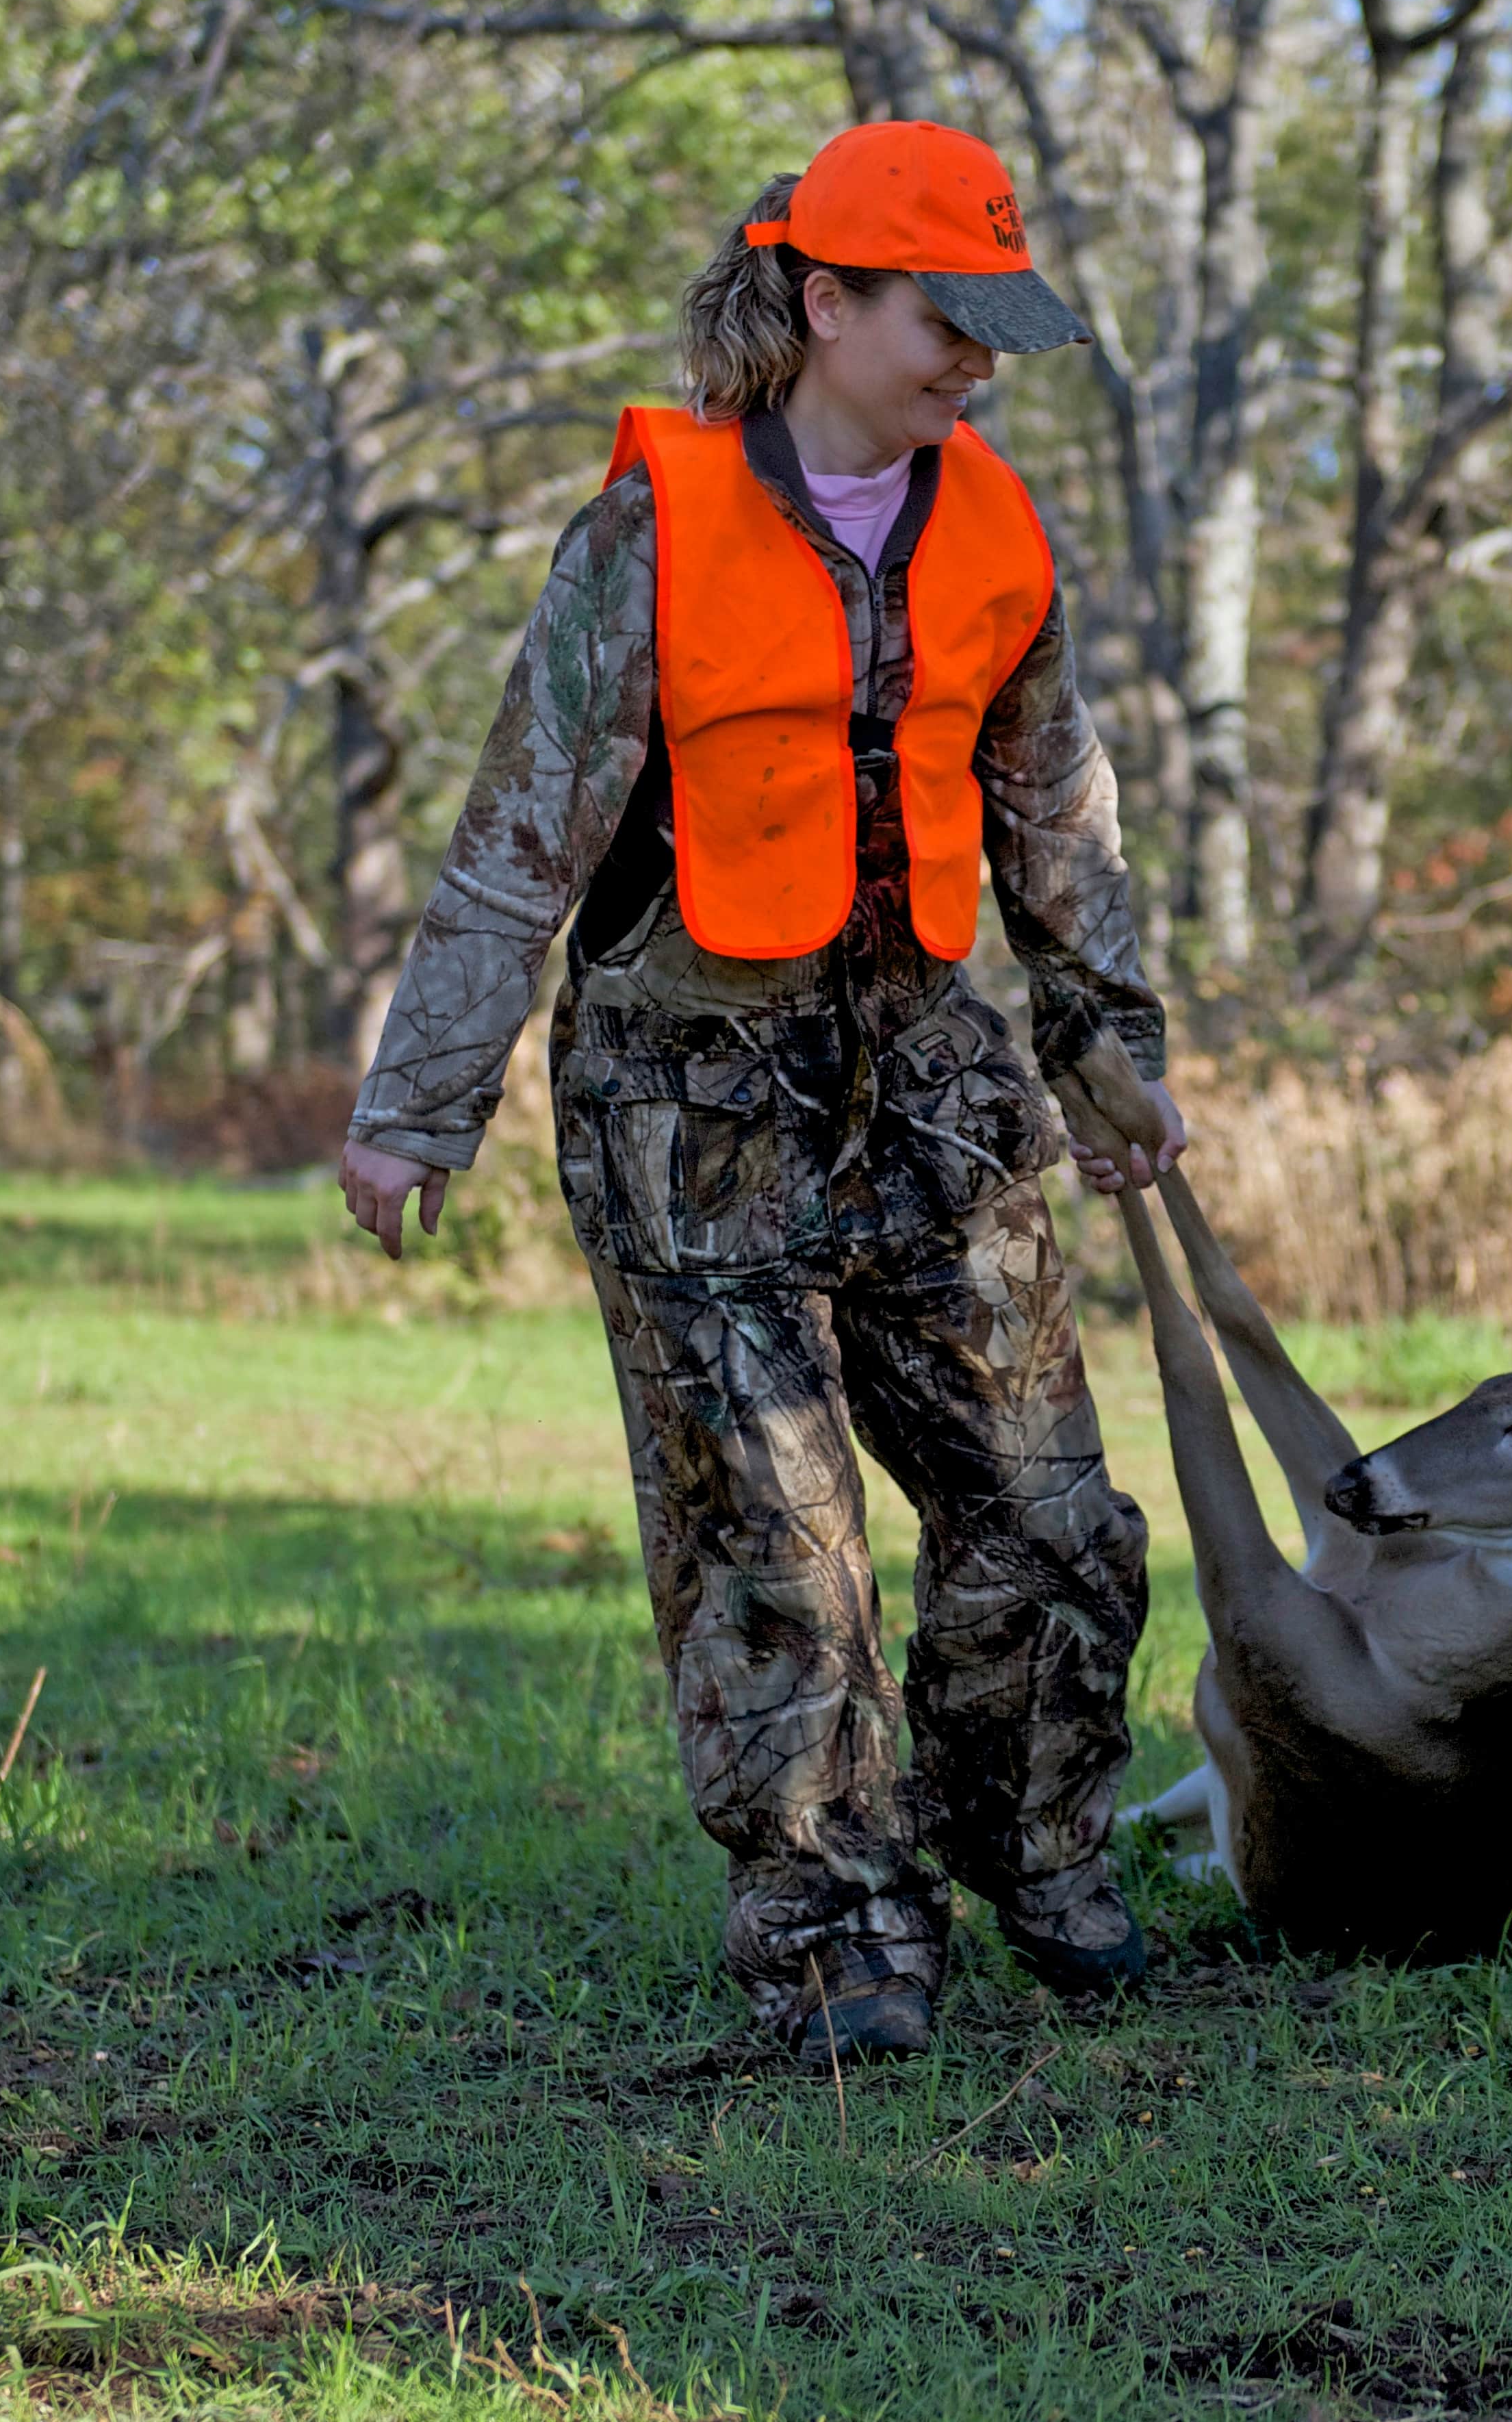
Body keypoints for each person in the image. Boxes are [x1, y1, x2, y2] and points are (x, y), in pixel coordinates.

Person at [332, 120, 1190, 2070]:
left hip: (937, 1087)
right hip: (686, 1101)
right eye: (942, 321)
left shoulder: (1001, 527)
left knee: (1053, 1522)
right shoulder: (652, 530)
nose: (977, 360)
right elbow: (519, 835)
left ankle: (1031, 1841)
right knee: (778, 1555)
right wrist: (419, 1105)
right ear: (823, 301)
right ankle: (838, 1935)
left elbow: (1058, 815)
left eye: (998, 323)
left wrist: (1108, 1045)